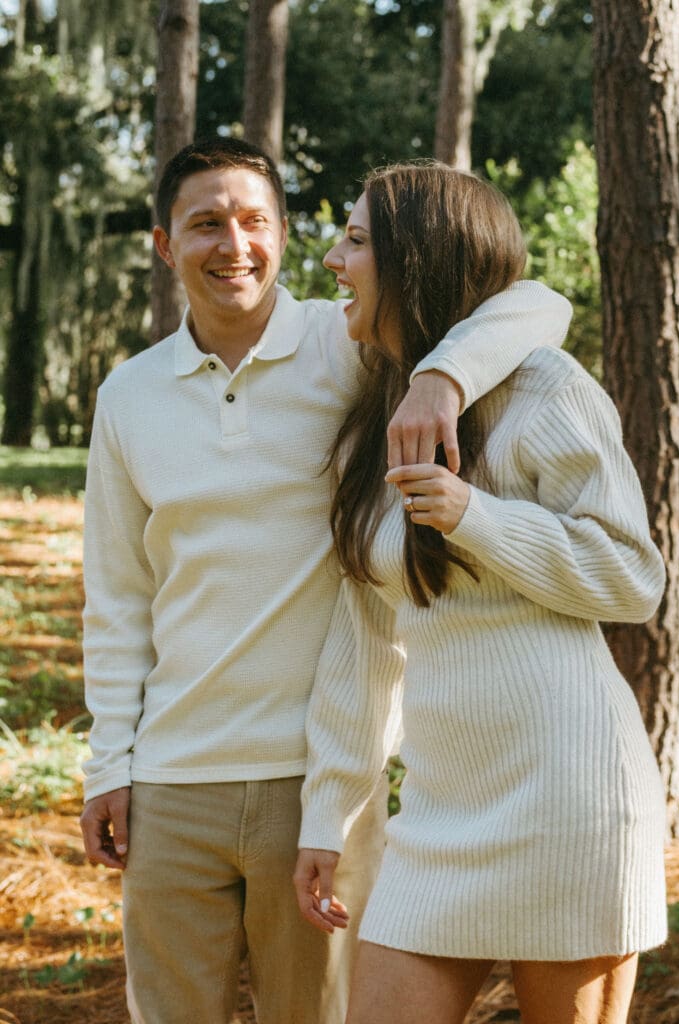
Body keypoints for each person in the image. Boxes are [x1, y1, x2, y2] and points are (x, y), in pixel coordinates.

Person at [79, 137, 572, 1024]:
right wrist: (108, 762)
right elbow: (118, 598)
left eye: (253, 221)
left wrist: (438, 375)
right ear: (164, 245)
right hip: (169, 781)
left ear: (280, 231)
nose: (234, 245)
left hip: (317, 779)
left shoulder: (348, 347)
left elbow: (536, 304)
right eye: (205, 225)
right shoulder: (128, 395)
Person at [294, 162, 667, 1024]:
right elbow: (362, 650)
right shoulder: (374, 417)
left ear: (415, 258)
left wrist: (473, 517)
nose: (330, 258)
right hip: (439, 814)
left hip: (571, 800)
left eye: (354, 240)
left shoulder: (548, 390)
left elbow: (631, 579)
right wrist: (327, 819)